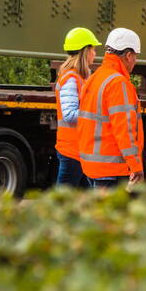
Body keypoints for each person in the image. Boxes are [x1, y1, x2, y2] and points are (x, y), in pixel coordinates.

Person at [77, 28, 145, 189]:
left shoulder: (95, 77)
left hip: (92, 166)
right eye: (135, 56)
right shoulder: (118, 83)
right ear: (128, 55)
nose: (135, 61)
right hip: (111, 168)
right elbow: (124, 130)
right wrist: (135, 165)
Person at [54, 27, 101, 188]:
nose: (95, 53)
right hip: (71, 151)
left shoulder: (79, 77)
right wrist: (96, 113)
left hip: (79, 151)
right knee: (62, 202)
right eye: (93, 49)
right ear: (85, 51)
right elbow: (69, 114)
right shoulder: (71, 79)